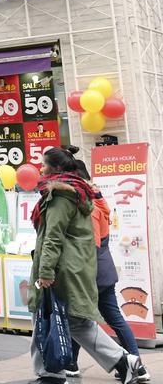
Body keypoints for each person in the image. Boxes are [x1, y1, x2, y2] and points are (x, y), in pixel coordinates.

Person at [27, 146, 145, 384]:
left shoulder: (59, 196)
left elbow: (53, 236)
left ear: (57, 168)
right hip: (74, 265)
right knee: (58, 317)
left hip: (61, 267)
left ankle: (120, 362)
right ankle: (51, 371)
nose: (41, 168)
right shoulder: (79, 193)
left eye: (45, 164)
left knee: (59, 318)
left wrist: (46, 270)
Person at [64, 160, 148, 381]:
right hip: (103, 270)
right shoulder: (96, 201)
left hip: (92, 272)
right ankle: (136, 363)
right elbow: (106, 213)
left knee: (79, 317)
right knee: (83, 318)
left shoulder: (87, 208)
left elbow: (89, 246)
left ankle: (133, 364)